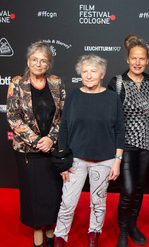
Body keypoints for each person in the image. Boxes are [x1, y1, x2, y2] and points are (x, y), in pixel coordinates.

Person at [54, 55, 125, 247]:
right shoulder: (73, 96)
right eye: (84, 71)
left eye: (93, 71)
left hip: (104, 161)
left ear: (102, 74)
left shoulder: (112, 98)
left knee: (98, 203)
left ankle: (94, 236)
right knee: (67, 203)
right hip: (75, 160)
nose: (89, 75)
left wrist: (117, 161)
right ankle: (60, 237)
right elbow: (64, 129)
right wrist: (62, 161)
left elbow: (119, 130)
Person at [6, 41, 65, 247]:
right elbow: (14, 117)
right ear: (28, 60)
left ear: (48, 64)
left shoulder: (57, 82)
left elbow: (63, 116)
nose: (38, 64)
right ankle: (37, 230)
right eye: (34, 59)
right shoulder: (16, 83)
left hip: (52, 149)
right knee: (32, 193)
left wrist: (51, 139)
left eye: (43, 61)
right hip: (27, 151)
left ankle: (50, 227)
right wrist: (36, 140)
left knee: (52, 192)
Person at [108, 34, 149, 247]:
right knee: (128, 189)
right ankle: (122, 232)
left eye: (142, 59)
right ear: (127, 59)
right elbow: (112, 116)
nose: (138, 62)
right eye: (134, 58)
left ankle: (132, 224)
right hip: (126, 145)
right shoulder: (118, 83)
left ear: (147, 60)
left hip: (148, 145)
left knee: (139, 188)